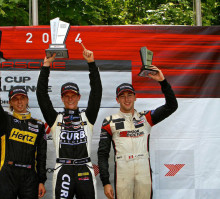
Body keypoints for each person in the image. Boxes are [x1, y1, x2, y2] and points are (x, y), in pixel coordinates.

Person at [97, 66, 178, 199]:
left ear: (135, 97)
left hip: (143, 170)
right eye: (122, 96)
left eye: (130, 95)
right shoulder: (109, 121)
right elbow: (102, 154)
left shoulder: (145, 117)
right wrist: (106, 182)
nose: (126, 99)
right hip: (123, 172)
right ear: (117, 100)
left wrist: (162, 81)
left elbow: (172, 106)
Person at [36, 44, 102, 199]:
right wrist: (46, 66)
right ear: (62, 98)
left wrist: (91, 64)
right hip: (63, 169)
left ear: (79, 97)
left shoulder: (88, 117)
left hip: (84, 168)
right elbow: (41, 96)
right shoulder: (55, 119)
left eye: (73, 95)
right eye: (67, 96)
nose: (70, 98)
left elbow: (96, 92)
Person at [0, 58, 47, 199]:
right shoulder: (5, 120)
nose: (19, 101)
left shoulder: (38, 125)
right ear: (10, 103)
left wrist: (41, 181)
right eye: (15, 99)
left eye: (22, 98)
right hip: (8, 173)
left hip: (30, 176)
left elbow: (42, 156)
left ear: (27, 100)